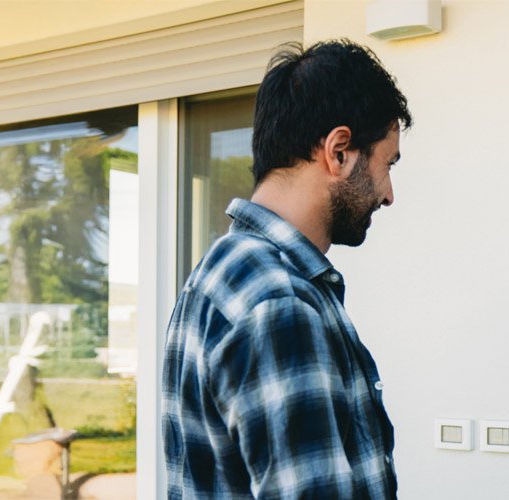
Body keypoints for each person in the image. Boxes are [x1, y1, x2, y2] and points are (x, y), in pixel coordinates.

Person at [161, 39, 410, 499]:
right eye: (386, 164)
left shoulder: (217, 274)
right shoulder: (278, 301)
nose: (388, 194)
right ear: (339, 151)